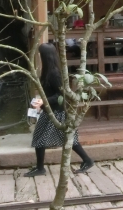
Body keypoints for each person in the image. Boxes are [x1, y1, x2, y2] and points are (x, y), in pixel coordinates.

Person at [25, 43, 94, 177]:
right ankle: (86, 160)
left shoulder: (54, 73)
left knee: (63, 139)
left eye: (40, 54)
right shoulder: (48, 71)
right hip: (49, 110)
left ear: (45, 56)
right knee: (49, 138)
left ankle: (87, 160)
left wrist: (44, 101)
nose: (38, 56)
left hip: (57, 112)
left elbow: (61, 95)